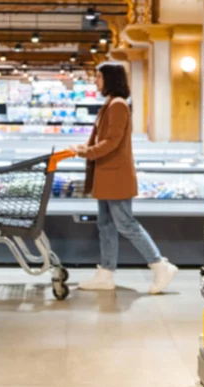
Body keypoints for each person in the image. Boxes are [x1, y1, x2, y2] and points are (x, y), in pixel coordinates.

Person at [70, 62, 178, 294]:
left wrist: (85, 151)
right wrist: (85, 148)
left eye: (99, 77)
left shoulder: (118, 106)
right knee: (106, 224)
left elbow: (112, 142)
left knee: (126, 224)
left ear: (110, 79)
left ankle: (160, 265)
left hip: (115, 176)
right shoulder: (111, 104)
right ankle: (106, 273)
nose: (96, 82)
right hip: (106, 175)